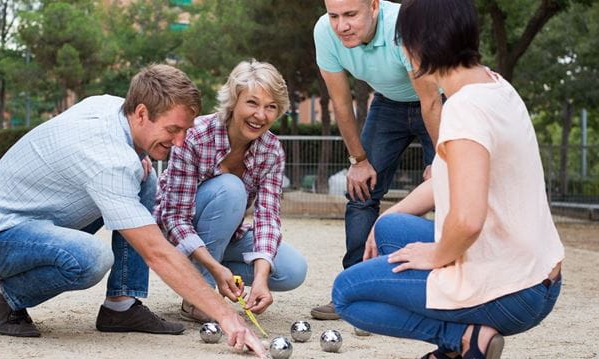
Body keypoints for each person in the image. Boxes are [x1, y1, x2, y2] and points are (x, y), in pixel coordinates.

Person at [0, 64, 265, 357]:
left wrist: (137, 156)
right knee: (91, 258)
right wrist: (227, 317)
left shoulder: (113, 107)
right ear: (142, 113)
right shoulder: (109, 159)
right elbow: (156, 252)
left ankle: (120, 306)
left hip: (40, 220)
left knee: (145, 178)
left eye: (185, 130)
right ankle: (6, 296)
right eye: (173, 129)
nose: (180, 142)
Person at [331, 1, 564, 358]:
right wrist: (380, 221)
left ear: (418, 46)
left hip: (515, 289)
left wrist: (438, 255)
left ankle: (465, 339)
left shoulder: (463, 110)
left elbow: (468, 220)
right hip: (536, 269)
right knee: (392, 230)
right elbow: (444, 180)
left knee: (347, 294)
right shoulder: (495, 86)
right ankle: (462, 341)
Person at [311, 0, 443, 320]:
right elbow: (342, 104)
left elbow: (429, 99)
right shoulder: (324, 33)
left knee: (448, 190)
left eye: (351, 15)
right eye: (334, 16)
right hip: (388, 104)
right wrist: (358, 160)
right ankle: (353, 289)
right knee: (361, 192)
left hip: (438, 101)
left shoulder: (404, 25)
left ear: (373, 6)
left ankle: (445, 292)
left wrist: (442, 158)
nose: (342, 25)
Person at [154, 59, 307, 323]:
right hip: (175, 234)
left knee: (291, 271)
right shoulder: (196, 136)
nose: (261, 115)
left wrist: (260, 280)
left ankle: (208, 271)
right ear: (233, 101)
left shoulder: (271, 150)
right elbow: (173, 218)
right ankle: (198, 294)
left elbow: (268, 219)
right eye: (252, 103)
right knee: (231, 188)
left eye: (271, 107)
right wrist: (214, 269)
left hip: (222, 235)